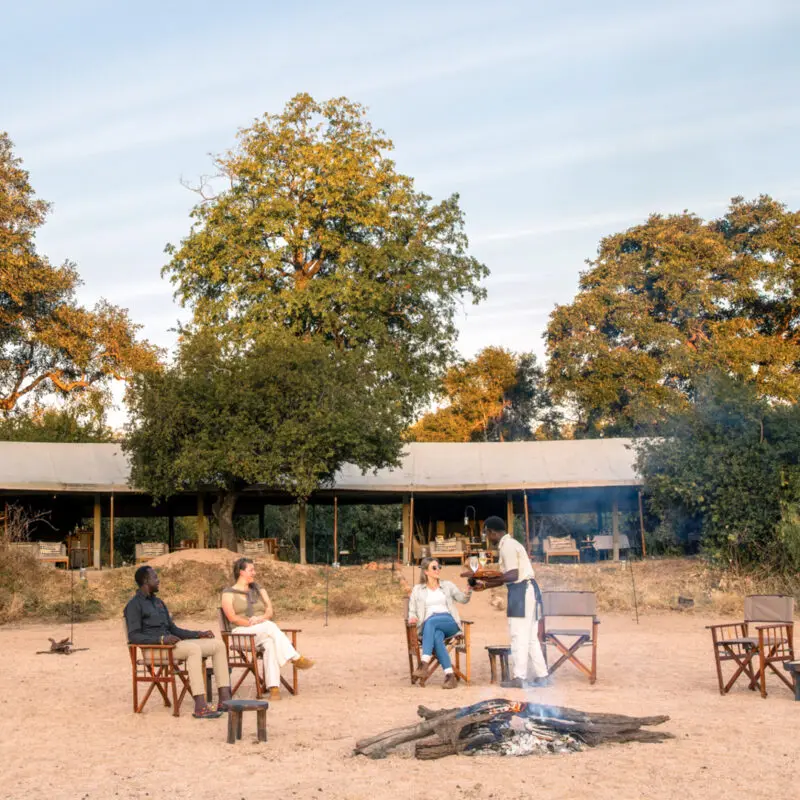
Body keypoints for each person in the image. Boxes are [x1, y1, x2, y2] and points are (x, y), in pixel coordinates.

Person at [124, 565, 232, 718]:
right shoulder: (134, 605)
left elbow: (174, 630)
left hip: (171, 645)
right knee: (193, 650)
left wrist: (198, 634)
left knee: (218, 645)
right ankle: (200, 707)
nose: (158, 580)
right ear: (146, 580)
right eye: (155, 577)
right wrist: (161, 639)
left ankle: (225, 700)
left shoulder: (158, 602)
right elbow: (134, 636)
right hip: (154, 649)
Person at [221, 557, 314, 701]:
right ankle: (295, 657)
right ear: (241, 572)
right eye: (251, 570)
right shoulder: (228, 593)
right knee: (270, 627)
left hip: (261, 630)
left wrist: (260, 619)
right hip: (242, 632)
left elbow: (270, 611)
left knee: (270, 642)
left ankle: (274, 689)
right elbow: (232, 618)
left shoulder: (259, 589)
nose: (254, 573)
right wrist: (252, 623)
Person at [474, 516, 550, 689]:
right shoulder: (511, 544)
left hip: (521, 592)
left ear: (493, 532)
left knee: (518, 635)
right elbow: (505, 578)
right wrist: (485, 585)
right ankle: (542, 675)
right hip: (527, 591)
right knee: (530, 637)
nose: (487, 538)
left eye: (487, 534)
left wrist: (487, 575)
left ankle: (519, 677)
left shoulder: (507, 546)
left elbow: (512, 576)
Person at [407, 557, 472, 689]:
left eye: (439, 567)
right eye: (434, 567)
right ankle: (450, 676)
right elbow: (412, 610)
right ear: (426, 571)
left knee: (431, 622)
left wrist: (468, 591)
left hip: (448, 622)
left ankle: (424, 663)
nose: (438, 570)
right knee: (436, 636)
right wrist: (412, 618)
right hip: (429, 627)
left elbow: (463, 599)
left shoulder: (447, 585)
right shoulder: (417, 590)